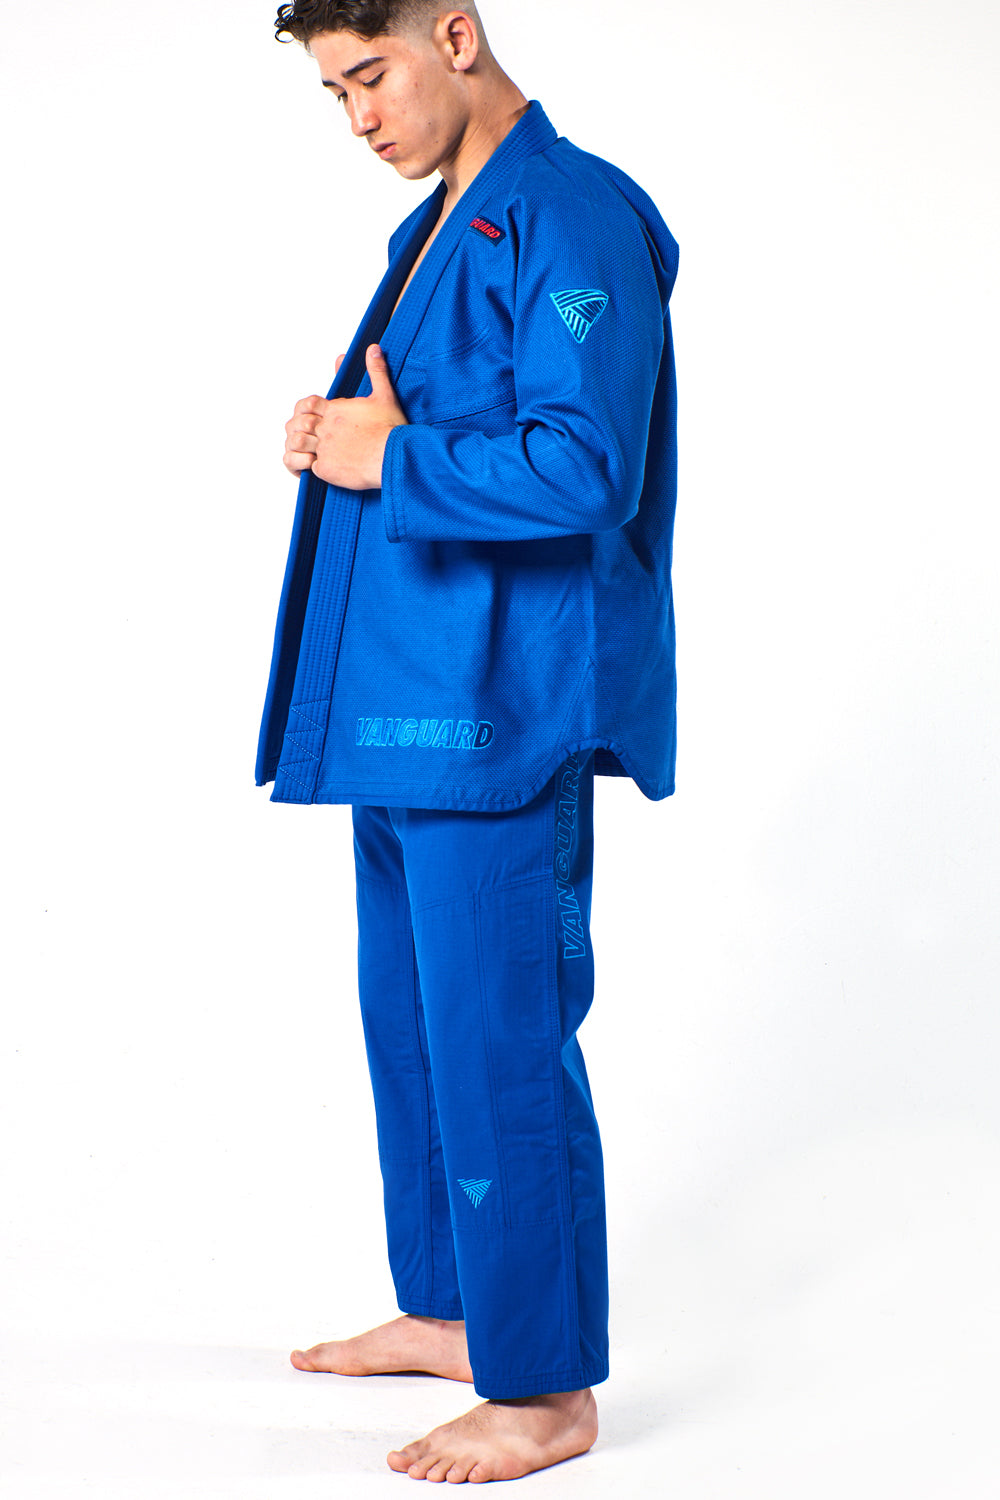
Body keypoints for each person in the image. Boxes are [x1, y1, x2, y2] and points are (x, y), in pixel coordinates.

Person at [256, 0, 679, 1482]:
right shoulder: (432, 228)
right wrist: (343, 440)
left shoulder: (571, 217)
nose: (359, 117)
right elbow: (425, 433)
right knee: (413, 1030)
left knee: (499, 1040)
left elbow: (584, 465)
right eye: (334, 94)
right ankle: (452, 1311)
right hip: (403, 703)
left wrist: (392, 455)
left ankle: (545, 1388)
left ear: (455, 32)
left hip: (500, 714)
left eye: (371, 75)